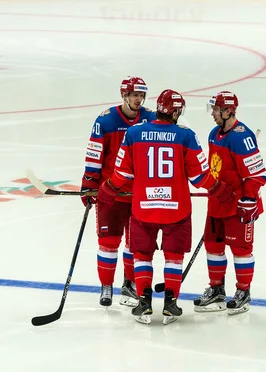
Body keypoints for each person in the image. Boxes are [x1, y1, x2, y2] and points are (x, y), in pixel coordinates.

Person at [96, 89, 234, 324]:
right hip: (176, 209)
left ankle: (144, 301)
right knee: (173, 256)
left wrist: (106, 190)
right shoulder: (186, 135)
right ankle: (171, 302)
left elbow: (121, 173)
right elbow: (200, 176)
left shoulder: (134, 132)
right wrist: (220, 191)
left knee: (141, 255)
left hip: (143, 207)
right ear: (177, 111)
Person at [81, 76, 157, 307]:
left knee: (135, 244)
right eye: (134, 95)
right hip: (111, 192)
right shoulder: (106, 120)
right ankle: (106, 286)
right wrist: (89, 184)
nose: (139, 99)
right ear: (124, 95)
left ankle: (129, 283)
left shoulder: (150, 119)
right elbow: (95, 154)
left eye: (141, 95)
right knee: (109, 241)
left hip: (140, 194)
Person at [193, 91, 266, 315]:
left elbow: (257, 174)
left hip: (238, 205)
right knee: (213, 247)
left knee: (240, 249)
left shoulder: (241, 137)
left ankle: (243, 292)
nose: (213, 114)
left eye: (216, 110)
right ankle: (216, 289)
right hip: (218, 202)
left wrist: (249, 198)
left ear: (228, 111)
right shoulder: (214, 134)